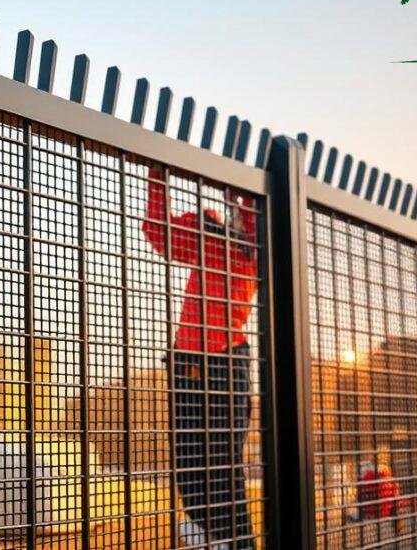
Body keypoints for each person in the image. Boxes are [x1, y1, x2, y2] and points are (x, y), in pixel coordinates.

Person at [142, 166, 258, 549]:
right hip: (187, 362)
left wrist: (235, 191)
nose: (242, 212)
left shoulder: (256, 249)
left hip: (227, 362)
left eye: (247, 206)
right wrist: (158, 173)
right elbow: (158, 233)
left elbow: (255, 224)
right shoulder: (208, 230)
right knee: (188, 463)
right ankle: (210, 536)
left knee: (223, 463)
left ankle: (235, 542)